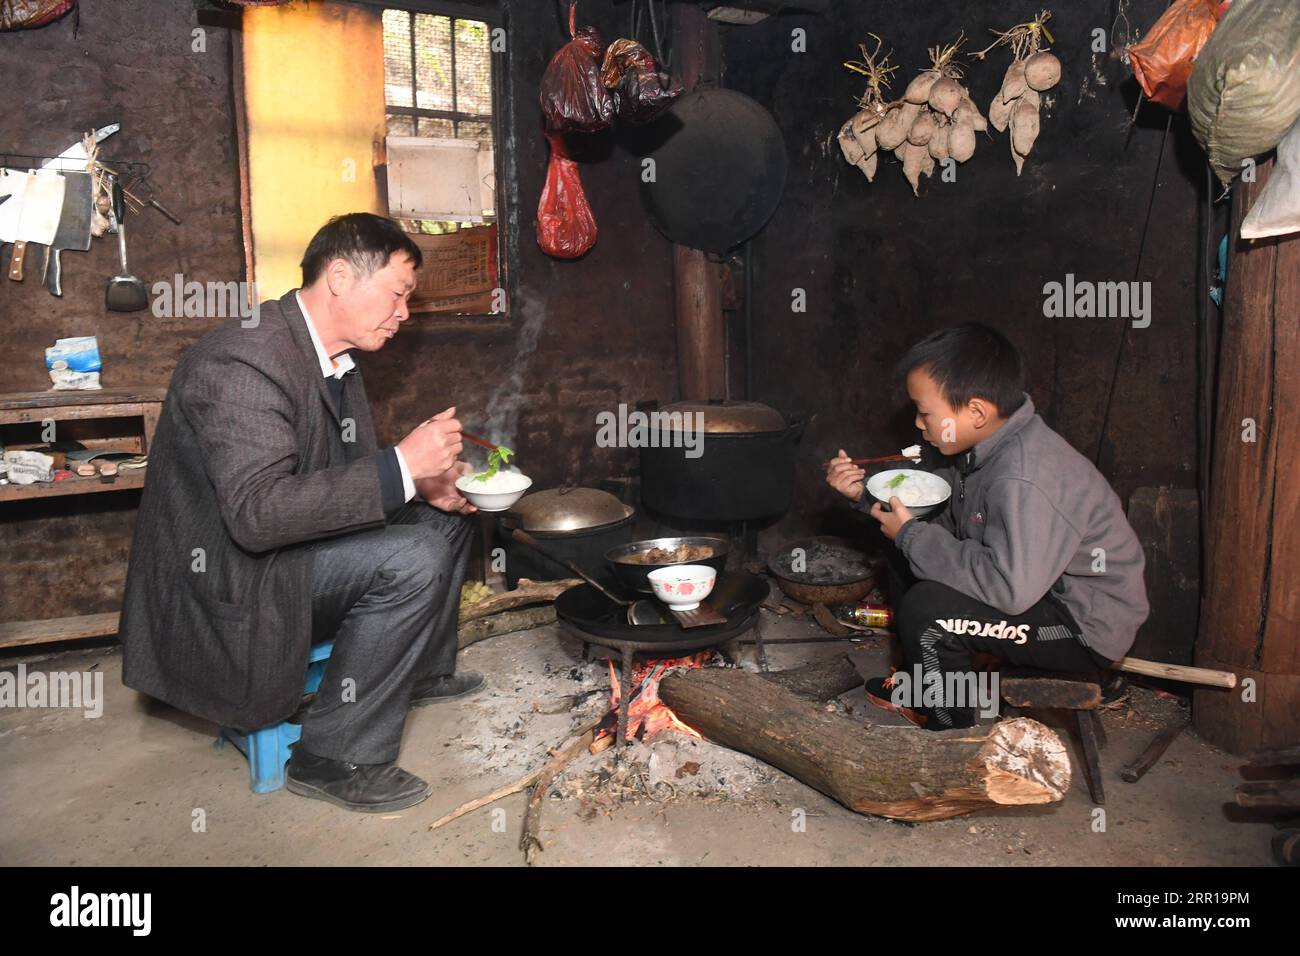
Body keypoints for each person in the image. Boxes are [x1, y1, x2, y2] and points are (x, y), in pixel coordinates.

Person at [121, 212, 484, 811]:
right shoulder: (241, 360)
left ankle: (418, 670)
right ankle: (332, 757)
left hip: (286, 551)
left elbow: (332, 485)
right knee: (413, 555)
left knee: (445, 516)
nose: (404, 314)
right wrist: (401, 465)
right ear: (340, 276)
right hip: (234, 579)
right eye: (397, 294)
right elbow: (258, 515)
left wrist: (421, 486)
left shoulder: (334, 358)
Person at [825, 323, 1149, 730]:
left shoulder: (1023, 476)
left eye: (925, 413)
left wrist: (913, 536)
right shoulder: (982, 448)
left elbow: (1009, 590)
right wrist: (864, 498)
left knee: (931, 614)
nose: (919, 424)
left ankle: (950, 735)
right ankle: (923, 685)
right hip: (1036, 589)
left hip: (1079, 626)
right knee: (901, 546)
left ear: (976, 412)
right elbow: (952, 529)